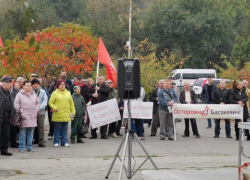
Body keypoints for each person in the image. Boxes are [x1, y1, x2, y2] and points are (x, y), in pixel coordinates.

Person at [14, 80, 40, 153]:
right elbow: (16, 104)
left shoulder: (33, 94)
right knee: (22, 133)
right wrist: (21, 111)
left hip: (32, 116)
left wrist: (36, 109)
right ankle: (21, 147)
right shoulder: (19, 94)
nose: (29, 87)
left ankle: (29, 147)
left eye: (30, 85)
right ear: (23, 86)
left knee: (30, 133)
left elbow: (38, 102)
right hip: (23, 116)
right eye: (27, 85)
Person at [49, 80, 76, 147]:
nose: (62, 85)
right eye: (61, 84)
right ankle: (56, 142)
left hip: (66, 114)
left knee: (65, 129)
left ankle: (64, 142)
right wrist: (55, 108)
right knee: (57, 129)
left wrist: (73, 112)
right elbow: (50, 102)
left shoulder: (68, 93)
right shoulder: (55, 93)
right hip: (58, 113)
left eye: (64, 84)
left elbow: (71, 103)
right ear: (58, 85)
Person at [87, 75, 110, 139]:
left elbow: (107, 92)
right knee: (94, 120)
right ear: (97, 79)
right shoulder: (93, 86)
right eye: (99, 79)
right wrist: (92, 95)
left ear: (104, 79)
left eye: (102, 79)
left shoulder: (106, 86)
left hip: (103, 105)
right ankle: (93, 134)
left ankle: (103, 134)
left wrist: (99, 89)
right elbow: (88, 94)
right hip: (95, 105)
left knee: (104, 121)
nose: (101, 80)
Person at [0, 77, 15, 156]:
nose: (9, 84)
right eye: (7, 83)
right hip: (0, 116)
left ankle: (4, 149)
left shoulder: (10, 92)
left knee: (5, 134)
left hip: (7, 116)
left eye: (10, 83)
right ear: (2, 83)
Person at [31, 79, 48, 147]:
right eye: (34, 84)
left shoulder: (43, 92)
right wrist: (35, 109)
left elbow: (45, 101)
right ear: (32, 85)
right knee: (32, 127)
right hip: (32, 112)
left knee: (41, 127)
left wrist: (39, 108)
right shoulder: (30, 92)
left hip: (41, 112)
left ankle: (41, 141)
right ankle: (30, 141)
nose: (36, 85)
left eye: (37, 84)